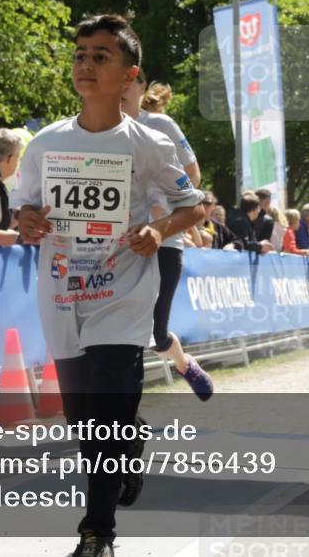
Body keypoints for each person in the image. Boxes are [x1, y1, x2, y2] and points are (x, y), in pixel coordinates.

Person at [13, 13, 204, 557]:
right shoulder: (45, 143)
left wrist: (157, 228)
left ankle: (98, 533)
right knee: (86, 421)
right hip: (61, 294)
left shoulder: (147, 144)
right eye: (80, 55)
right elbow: (26, 209)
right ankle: (127, 444)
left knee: (106, 411)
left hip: (123, 294)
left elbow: (194, 207)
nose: (86, 65)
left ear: (129, 75)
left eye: (101, 56)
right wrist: (28, 222)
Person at [121, 72, 213, 400]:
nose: (118, 86)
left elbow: (194, 176)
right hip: (113, 242)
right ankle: (120, 411)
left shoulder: (161, 125)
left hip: (165, 238)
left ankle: (184, 364)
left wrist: (162, 206)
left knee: (156, 330)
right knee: (121, 332)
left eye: (126, 80)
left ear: (140, 85)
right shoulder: (91, 129)